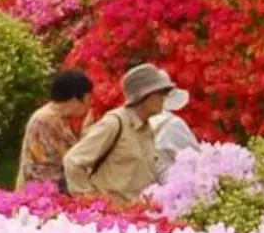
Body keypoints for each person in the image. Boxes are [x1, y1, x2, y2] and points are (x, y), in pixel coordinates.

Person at [64, 62, 183, 201]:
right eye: (160, 92)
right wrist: (91, 199)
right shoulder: (114, 123)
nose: (164, 97)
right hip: (113, 212)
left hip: (137, 210)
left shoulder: (147, 127)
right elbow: (72, 161)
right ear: (143, 95)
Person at [18, 69, 93, 191]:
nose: (90, 104)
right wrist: (87, 131)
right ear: (76, 99)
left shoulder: (58, 117)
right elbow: (73, 158)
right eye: (89, 98)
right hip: (43, 192)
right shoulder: (46, 120)